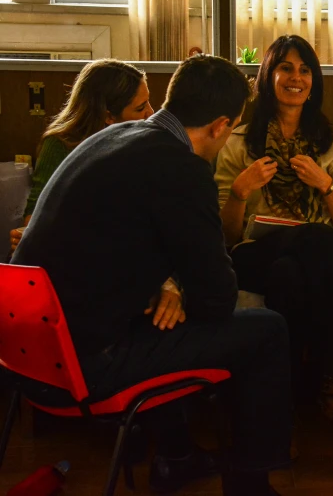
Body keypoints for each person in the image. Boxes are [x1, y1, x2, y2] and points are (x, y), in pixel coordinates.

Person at [11, 54, 289, 496]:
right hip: (84, 369)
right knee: (267, 331)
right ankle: (251, 482)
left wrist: (169, 285)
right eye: (233, 127)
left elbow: (116, 243)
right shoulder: (185, 170)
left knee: (161, 318)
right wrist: (181, 285)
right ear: (219, 126)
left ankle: (176, 457)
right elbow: (218, 298)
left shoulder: (109, 137)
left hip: (28, 359)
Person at [214, 35, 333, 442]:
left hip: (317, 263)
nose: (296, 78)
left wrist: (327, 187)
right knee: (317, 244)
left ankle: (281, 406)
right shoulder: (239, 142)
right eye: (286, 68)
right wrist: (240, 192)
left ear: (315, 81)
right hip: (252, 254)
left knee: (293, 272)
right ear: (267, 76)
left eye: (305, 70)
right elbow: (226, 237)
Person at [9, 59, 154, 253]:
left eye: (148, 102)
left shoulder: (143, 144)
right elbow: (35, 216)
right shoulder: (60, 145)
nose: (151, 112)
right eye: (140, 108)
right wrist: (27, 235)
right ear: (108, 116)